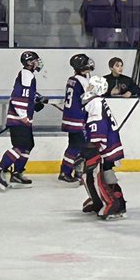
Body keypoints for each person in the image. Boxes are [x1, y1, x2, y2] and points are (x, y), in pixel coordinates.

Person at [0, 51, 45, 190]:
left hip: (22, 118)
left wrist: (36, 98)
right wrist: (23, 115)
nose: (38, 63)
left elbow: (25, 94)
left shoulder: (27, 75)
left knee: (28, 145)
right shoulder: (27, 75)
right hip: (19, 119)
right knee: (20, 146)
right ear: (30, 63)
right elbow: (18, 98)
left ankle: (17, 173)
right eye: (36, 60)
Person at [80, 73, 127, 220]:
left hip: (103, 145)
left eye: (91, 85)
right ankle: (104, 201)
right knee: (106, 171)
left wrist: (94, 145)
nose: (88, 87)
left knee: (94, 174)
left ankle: (111, 203)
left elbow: (98, 125)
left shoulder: (95, 102)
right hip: (110, 143)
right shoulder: (97, 101)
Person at [57, 53, 94, 183]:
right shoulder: (83, 81)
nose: (89, 64)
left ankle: (66, 171)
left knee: (73, 145)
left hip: (69, 117)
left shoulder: (72, 79)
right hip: (77, 119)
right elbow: (87, 100)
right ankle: (70, 172)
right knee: (80, 146)